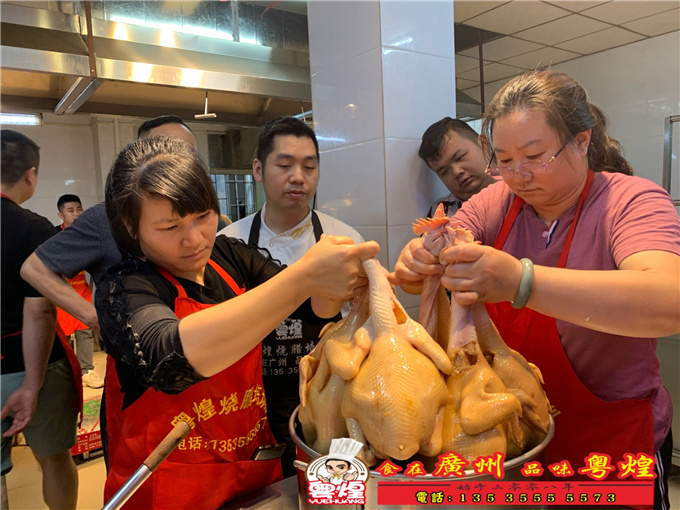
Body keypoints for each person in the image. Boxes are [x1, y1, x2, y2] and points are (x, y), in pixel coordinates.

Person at [390, 70, 679, 510]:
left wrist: (521, 281)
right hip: (518, 434)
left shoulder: (632, 201)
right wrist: (419, 258)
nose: (517, 175)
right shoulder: (496, 203)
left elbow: (667, 302)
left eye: (534, 155)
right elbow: (434, 256)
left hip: (609, 438)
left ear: (582, 141)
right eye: (503, 160)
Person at [96, 136, 379, 510]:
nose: (194, 240)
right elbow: (171, 359)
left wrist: (341, 274)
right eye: (169, 228)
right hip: (168, 485)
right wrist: (305, 276)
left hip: (244, 470)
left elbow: (315, 312)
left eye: (203, 217)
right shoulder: (125, 286)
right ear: (131, 226)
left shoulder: (229, 257)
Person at [219, 116, 364, 477]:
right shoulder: (228, 244)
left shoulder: (344, 240)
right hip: (252, 398)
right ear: (258, 169)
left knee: (326, 488)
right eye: (284, 165)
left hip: (324, 398)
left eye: (309, 166)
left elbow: (362, 323)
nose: (298, 176)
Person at [21, 115, 209, 338]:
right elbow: (35, 269)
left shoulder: (205, 215)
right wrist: (93, 317)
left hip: (204, 340)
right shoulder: (105, 217)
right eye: (166, 152)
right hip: (139, 356)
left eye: (188, 154)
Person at [1, 130, 80, 510]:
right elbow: (39, 308)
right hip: (30, 366)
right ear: (30, 175)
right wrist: (32, 385)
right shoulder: (35, 228)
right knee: (54, 458)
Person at [54, 194, 104, 389]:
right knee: (63, 335)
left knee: (85, 330)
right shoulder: (54, 235)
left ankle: (87, 371)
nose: (76, 214)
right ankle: (67, 373)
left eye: (79, 209)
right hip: (62, 291)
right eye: (70, 210)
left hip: (81, 289)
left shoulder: (88, 233)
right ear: (60, 214)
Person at [418, 117, 496, 217]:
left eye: (460, 157)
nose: (456, 172)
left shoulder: (518, 192)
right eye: (445, 172)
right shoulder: (440, 214)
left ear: (484, 144)